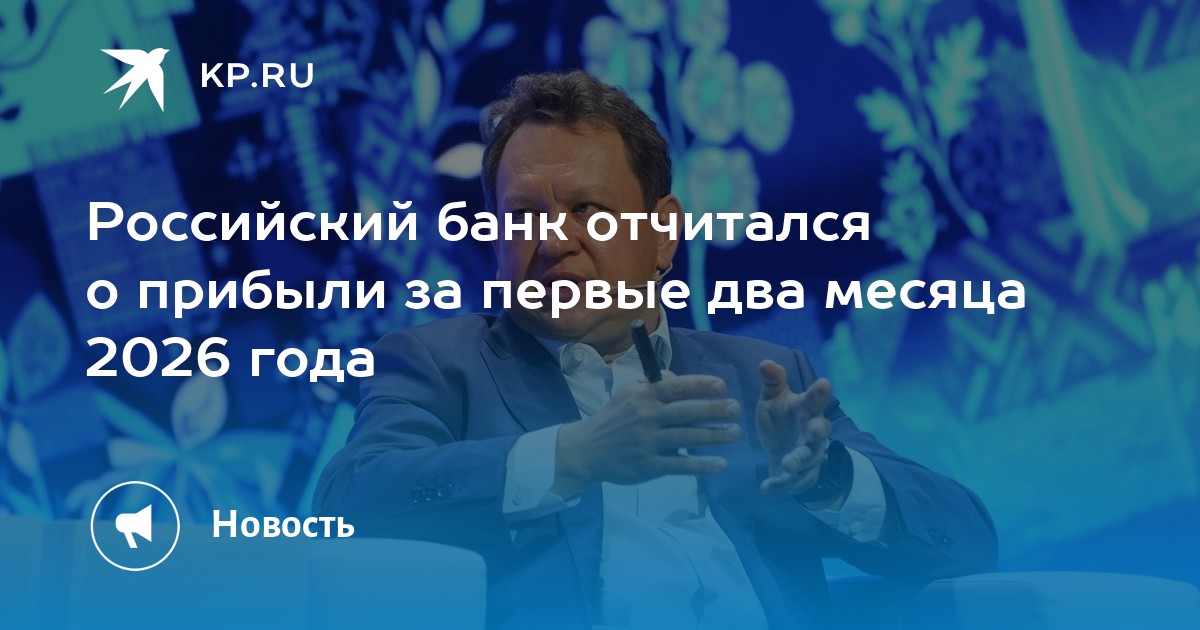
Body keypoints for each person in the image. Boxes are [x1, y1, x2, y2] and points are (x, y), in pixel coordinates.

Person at [314, 70, 997, 629]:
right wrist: (575, 454)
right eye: (521, 216)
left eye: (586, 211)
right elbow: (347, 506)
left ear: (664, 233)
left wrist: (829, 479)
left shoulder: (764, 378)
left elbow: (967, 539)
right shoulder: (441, 364)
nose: (552, 242)